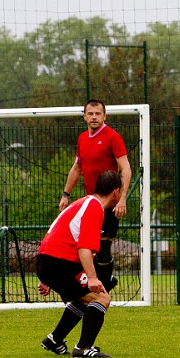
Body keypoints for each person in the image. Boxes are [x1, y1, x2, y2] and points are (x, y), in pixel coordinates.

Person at [39, 170, 124, 358]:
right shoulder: (94, 208)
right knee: (101, 299)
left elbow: (59, 235)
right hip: (58, 262)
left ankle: (55, 339)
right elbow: (84, 248)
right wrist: (92, 278)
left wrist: (46, 275)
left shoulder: (82, 203)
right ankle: (83, 348)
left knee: (84, 298)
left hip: (49, 260)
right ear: (116, 192)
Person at [58, 99, 132, 292]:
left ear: (104, 116)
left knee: (103, 247)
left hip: (109, 203)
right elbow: (77, 168)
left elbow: (125, 169)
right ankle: (98, 285)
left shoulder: (113, 137)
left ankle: (105, 283)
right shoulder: (82, 139)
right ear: (84, 116)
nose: (94, 117)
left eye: (98, 114)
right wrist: (66, 194)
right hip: (90, 203)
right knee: (85, 246)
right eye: (90, 114)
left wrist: (122, 198)